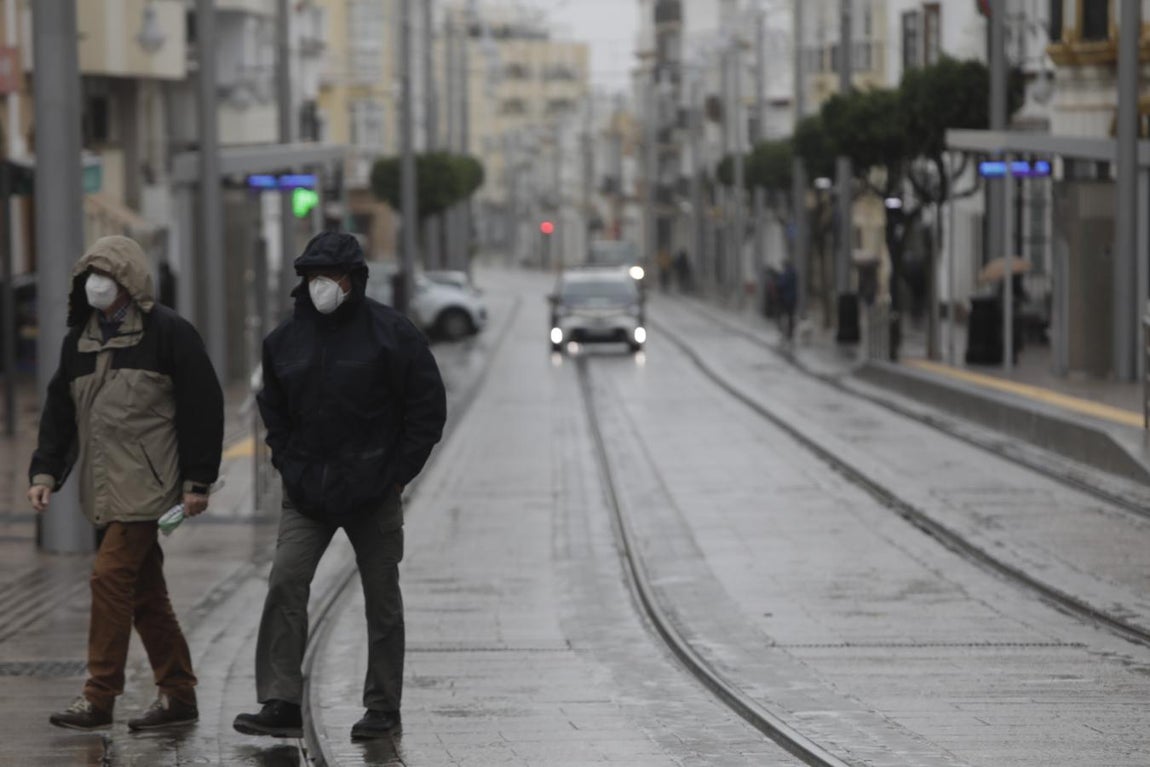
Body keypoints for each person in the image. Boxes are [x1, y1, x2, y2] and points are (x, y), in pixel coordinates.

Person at [233, 232, 446, 741]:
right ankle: (280, 700)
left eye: (330, 277)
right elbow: (273, 408)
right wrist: (287, 461)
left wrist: (397, 473)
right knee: (286, 580)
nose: (321, 286)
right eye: (312, 277)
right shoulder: (285, 339)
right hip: (308, 490)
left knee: (381, 599)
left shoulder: (393, 334)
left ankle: (382, 706)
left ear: (354, 280)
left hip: (373, 489)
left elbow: (427, 408)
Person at [28, 235, 224, 731]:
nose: (96, 284)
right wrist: (45, 471)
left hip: (148, 484)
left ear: (128, 282)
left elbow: (204, 406)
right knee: (143, 593)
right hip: (103, 486)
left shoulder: (169, 333)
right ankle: (179, 693)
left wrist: (198, 481)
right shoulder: (80, 340)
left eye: (107, 276)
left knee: (109, 577)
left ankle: (99, 696)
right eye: (91, 275)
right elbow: (59, 411)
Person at [777, 260, 798, 340]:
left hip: (785, 298)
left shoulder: (785, 274)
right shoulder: (794, 274)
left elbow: (781, 285)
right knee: (791, 316)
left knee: (782, 315)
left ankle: (783, 331)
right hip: (793, 298)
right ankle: (790, 332)